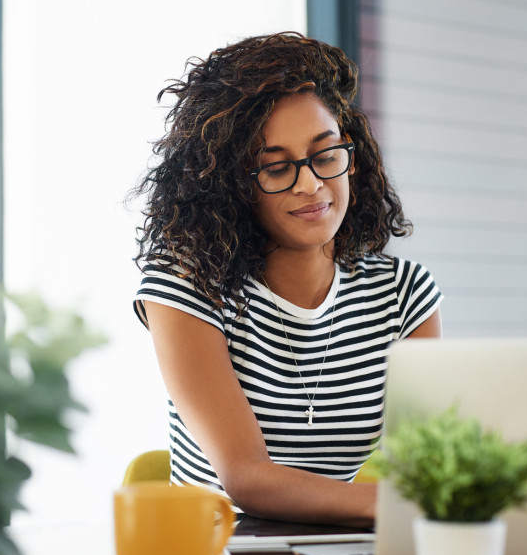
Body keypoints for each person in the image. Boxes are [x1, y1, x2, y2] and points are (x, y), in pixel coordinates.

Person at [132, 32, 442, 528]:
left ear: (352, 158)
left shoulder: (403, 294)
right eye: (276, 168)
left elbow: (430, 464)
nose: (310, 184)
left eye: (325, 155)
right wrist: (400, 508)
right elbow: (246, 476)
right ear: (233, 186)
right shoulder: (188, 283)